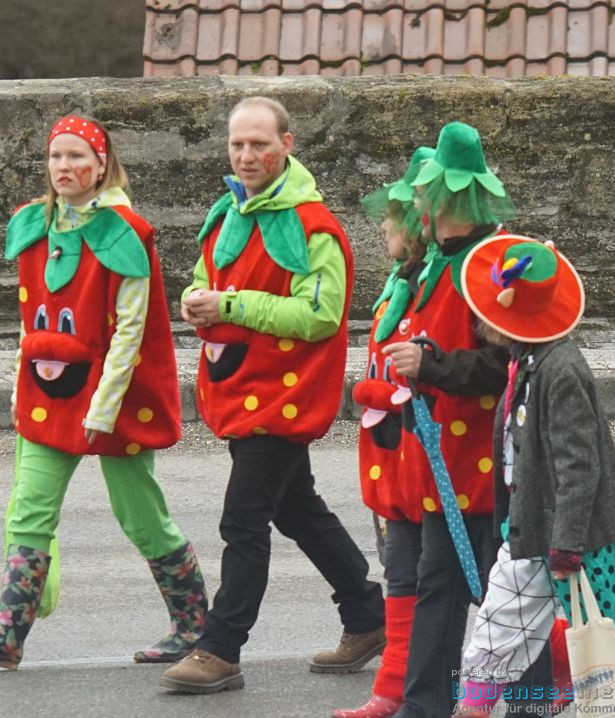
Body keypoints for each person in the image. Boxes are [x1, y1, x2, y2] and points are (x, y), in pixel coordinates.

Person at [0, 115, 207, 670]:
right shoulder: (35, 226)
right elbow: (31, 322)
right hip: (51, 390)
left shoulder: (124, 234)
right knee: (30, 510)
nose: (64, 167)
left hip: (112, 399)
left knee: (141, 518)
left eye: (76, 157)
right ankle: (8, 634)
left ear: (100, 165)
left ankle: (194, 628)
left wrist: (103, 408)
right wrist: (21, 390)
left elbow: (131, 332)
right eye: (55, 157)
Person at [162, 96, 385, 695]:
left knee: (244, 520)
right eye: (238, 144)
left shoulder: (314, 227)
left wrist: (230, 306)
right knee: (296, 509)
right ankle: (368, 615)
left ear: (287, 145)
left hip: (283, 402)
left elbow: (321, 314)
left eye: (259, 143)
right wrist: (194, 296)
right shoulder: (226, 211)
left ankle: (220, 648)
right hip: (241, 388)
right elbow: (205, 277)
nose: (247, 155)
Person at [452, 235, 615, 716]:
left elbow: (578, 465)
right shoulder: (527, 361)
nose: (477, 319)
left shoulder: (561, 371)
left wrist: (567, 546)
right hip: (532, 528)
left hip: (574, 535)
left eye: (485, 311)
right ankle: (472, 710)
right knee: (493, 638)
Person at [381, 121, 518, 718]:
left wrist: (430, 365)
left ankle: (527, 698)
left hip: (486, 464)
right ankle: (425, 706)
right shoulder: (436, 262)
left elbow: (501, 362)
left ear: (445, 199)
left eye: (422, 195)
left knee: (501, 597)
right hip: (441, 460)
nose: (414, 206)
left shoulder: (492, 263)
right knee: (440, 585)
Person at [333, 147, 435, 718]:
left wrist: (382, 392)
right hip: (394, 464)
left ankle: (558, 671)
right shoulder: (399, 283)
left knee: (491, 587)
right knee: (399, 577)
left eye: (392, 218)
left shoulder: (429, 288)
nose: (383, 227)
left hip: (428, 467)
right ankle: (391, 689)